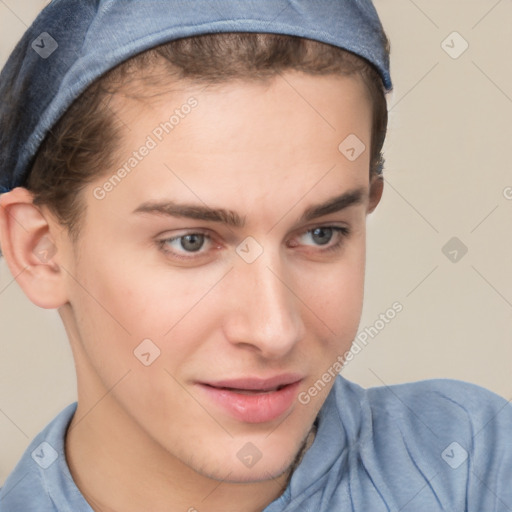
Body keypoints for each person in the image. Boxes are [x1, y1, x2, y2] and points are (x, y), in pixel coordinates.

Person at [1, 1, 511, 511]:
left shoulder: (473, 466)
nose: (274, 330)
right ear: (40, 250)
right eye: (191, 242)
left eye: (321, 234)